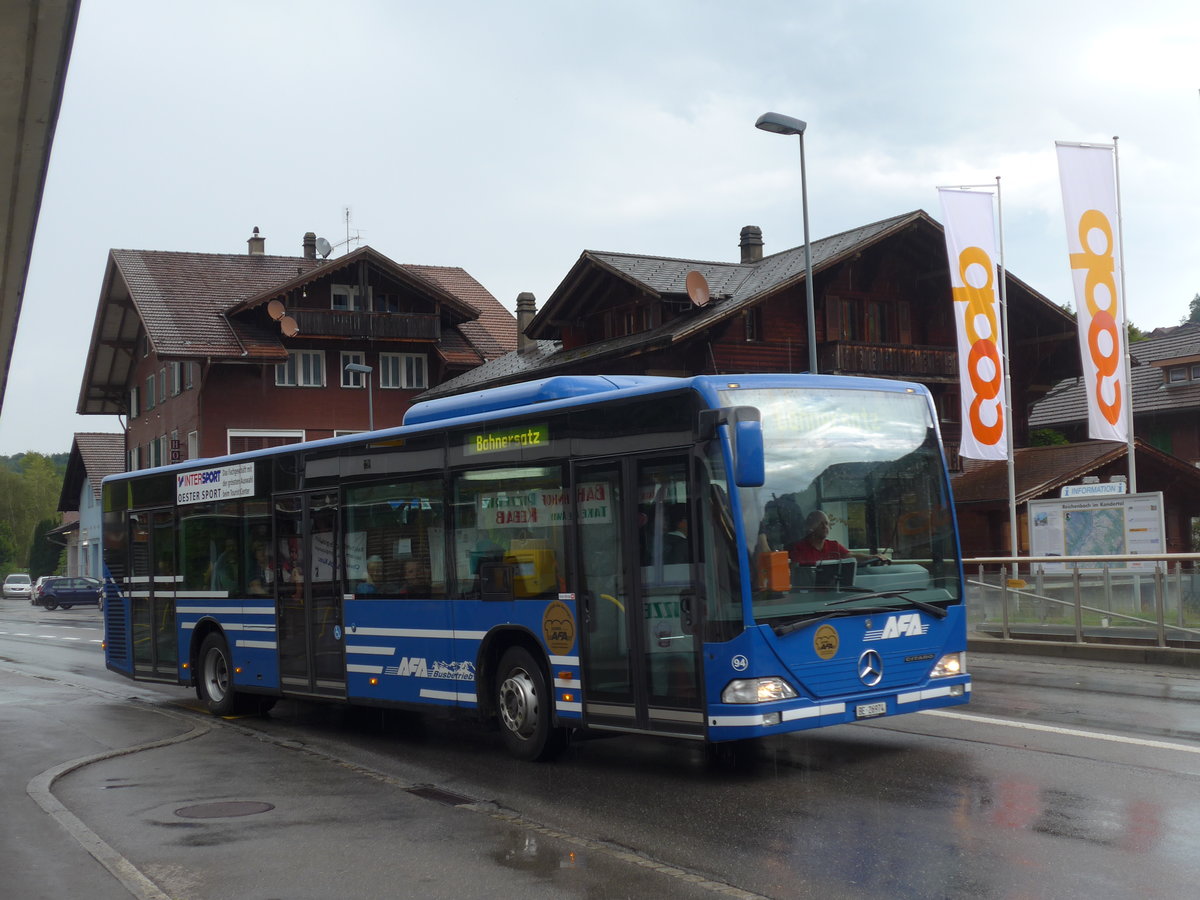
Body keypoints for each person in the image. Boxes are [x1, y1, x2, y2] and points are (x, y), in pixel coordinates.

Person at [789, 510, 889, 566]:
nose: (825, 527)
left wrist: (871, 557)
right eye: (820, 524)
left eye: (827, 523)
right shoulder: (798, 549)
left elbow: (851, 556)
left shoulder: (834, 546)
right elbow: (799, 572)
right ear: (810, 527)